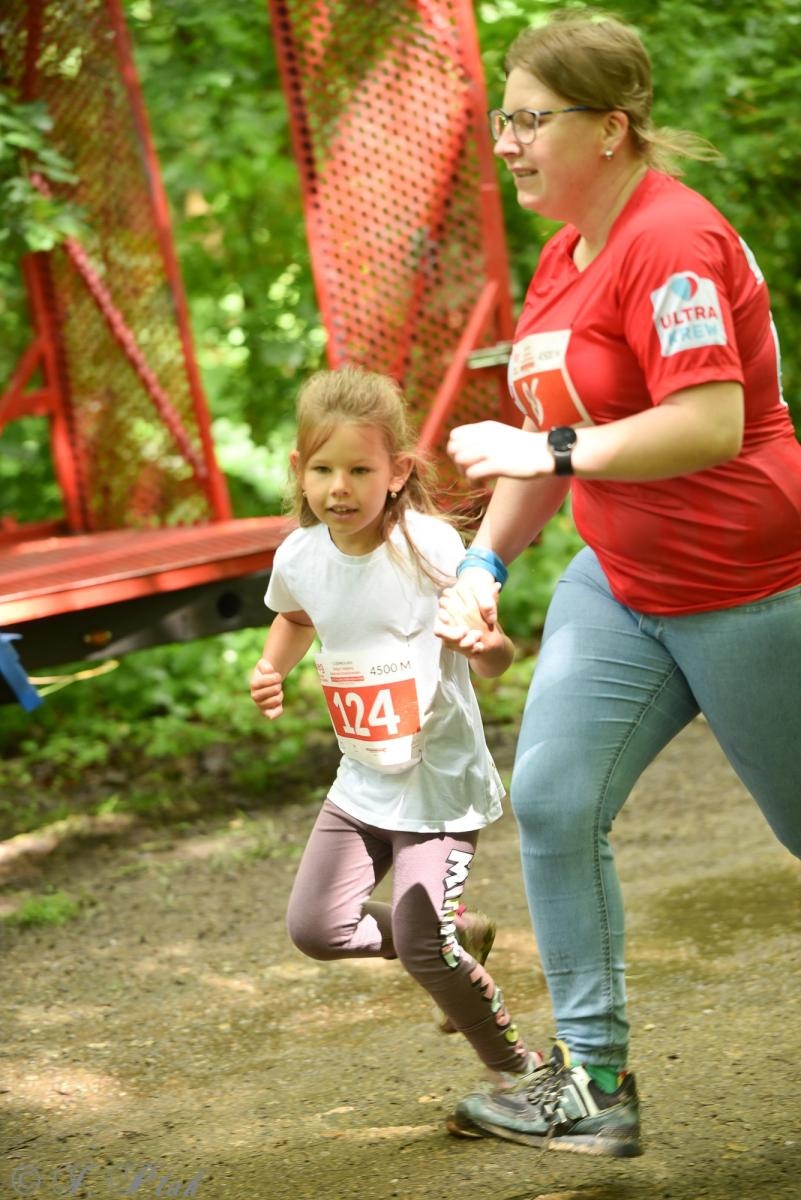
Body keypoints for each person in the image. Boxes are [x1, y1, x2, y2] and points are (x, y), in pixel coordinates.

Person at [434, 7, 801, 1159]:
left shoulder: (675, 240)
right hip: (623, 580)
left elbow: (708, 422)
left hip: (751, 586)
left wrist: (544, 454)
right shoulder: (563, 257)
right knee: (550, 801)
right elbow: (554, 433)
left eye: (532, 119)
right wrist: (485, 561)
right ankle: (593, 1084)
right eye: (504, 117)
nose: (509, 140)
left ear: (613, 127)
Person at [248, 364, 541, 1091]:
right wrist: (271, 667)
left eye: (357, 468)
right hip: (361, 779)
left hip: (437, 785)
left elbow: (498, 656)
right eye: (321, 469)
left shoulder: (434, 550)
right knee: (316, 929)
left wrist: (487, 648)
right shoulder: (300, 556)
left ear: (397, 470)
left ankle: (522, 1073)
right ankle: (457, 934)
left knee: (419, 947)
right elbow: (295, 615)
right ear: (299, 470)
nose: (337, 487)